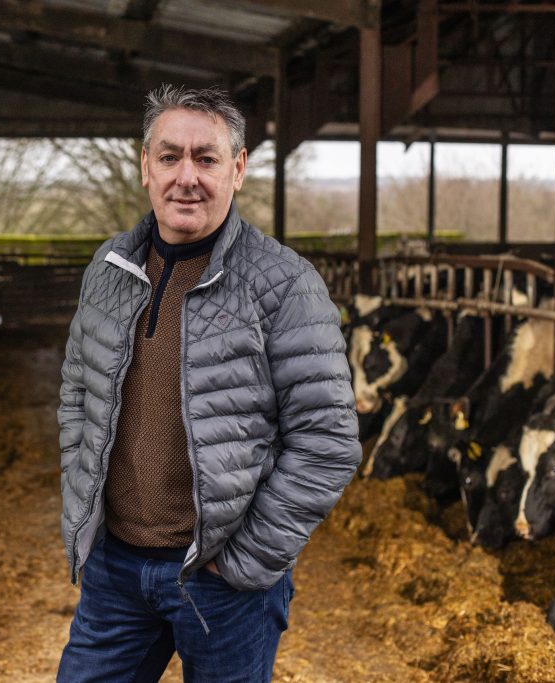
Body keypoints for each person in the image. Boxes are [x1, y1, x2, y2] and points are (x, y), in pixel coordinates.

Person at [57, 84, 361, 682]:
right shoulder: (109, 270)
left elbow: (328, 440)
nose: (186, 177)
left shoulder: (284, 284)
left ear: (239, 168)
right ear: (146, 166)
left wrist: (246, 560)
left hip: (221, 581)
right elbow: (76, 395)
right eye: (170, 157)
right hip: (116, 572)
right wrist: (84, 510)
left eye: (207, 158)